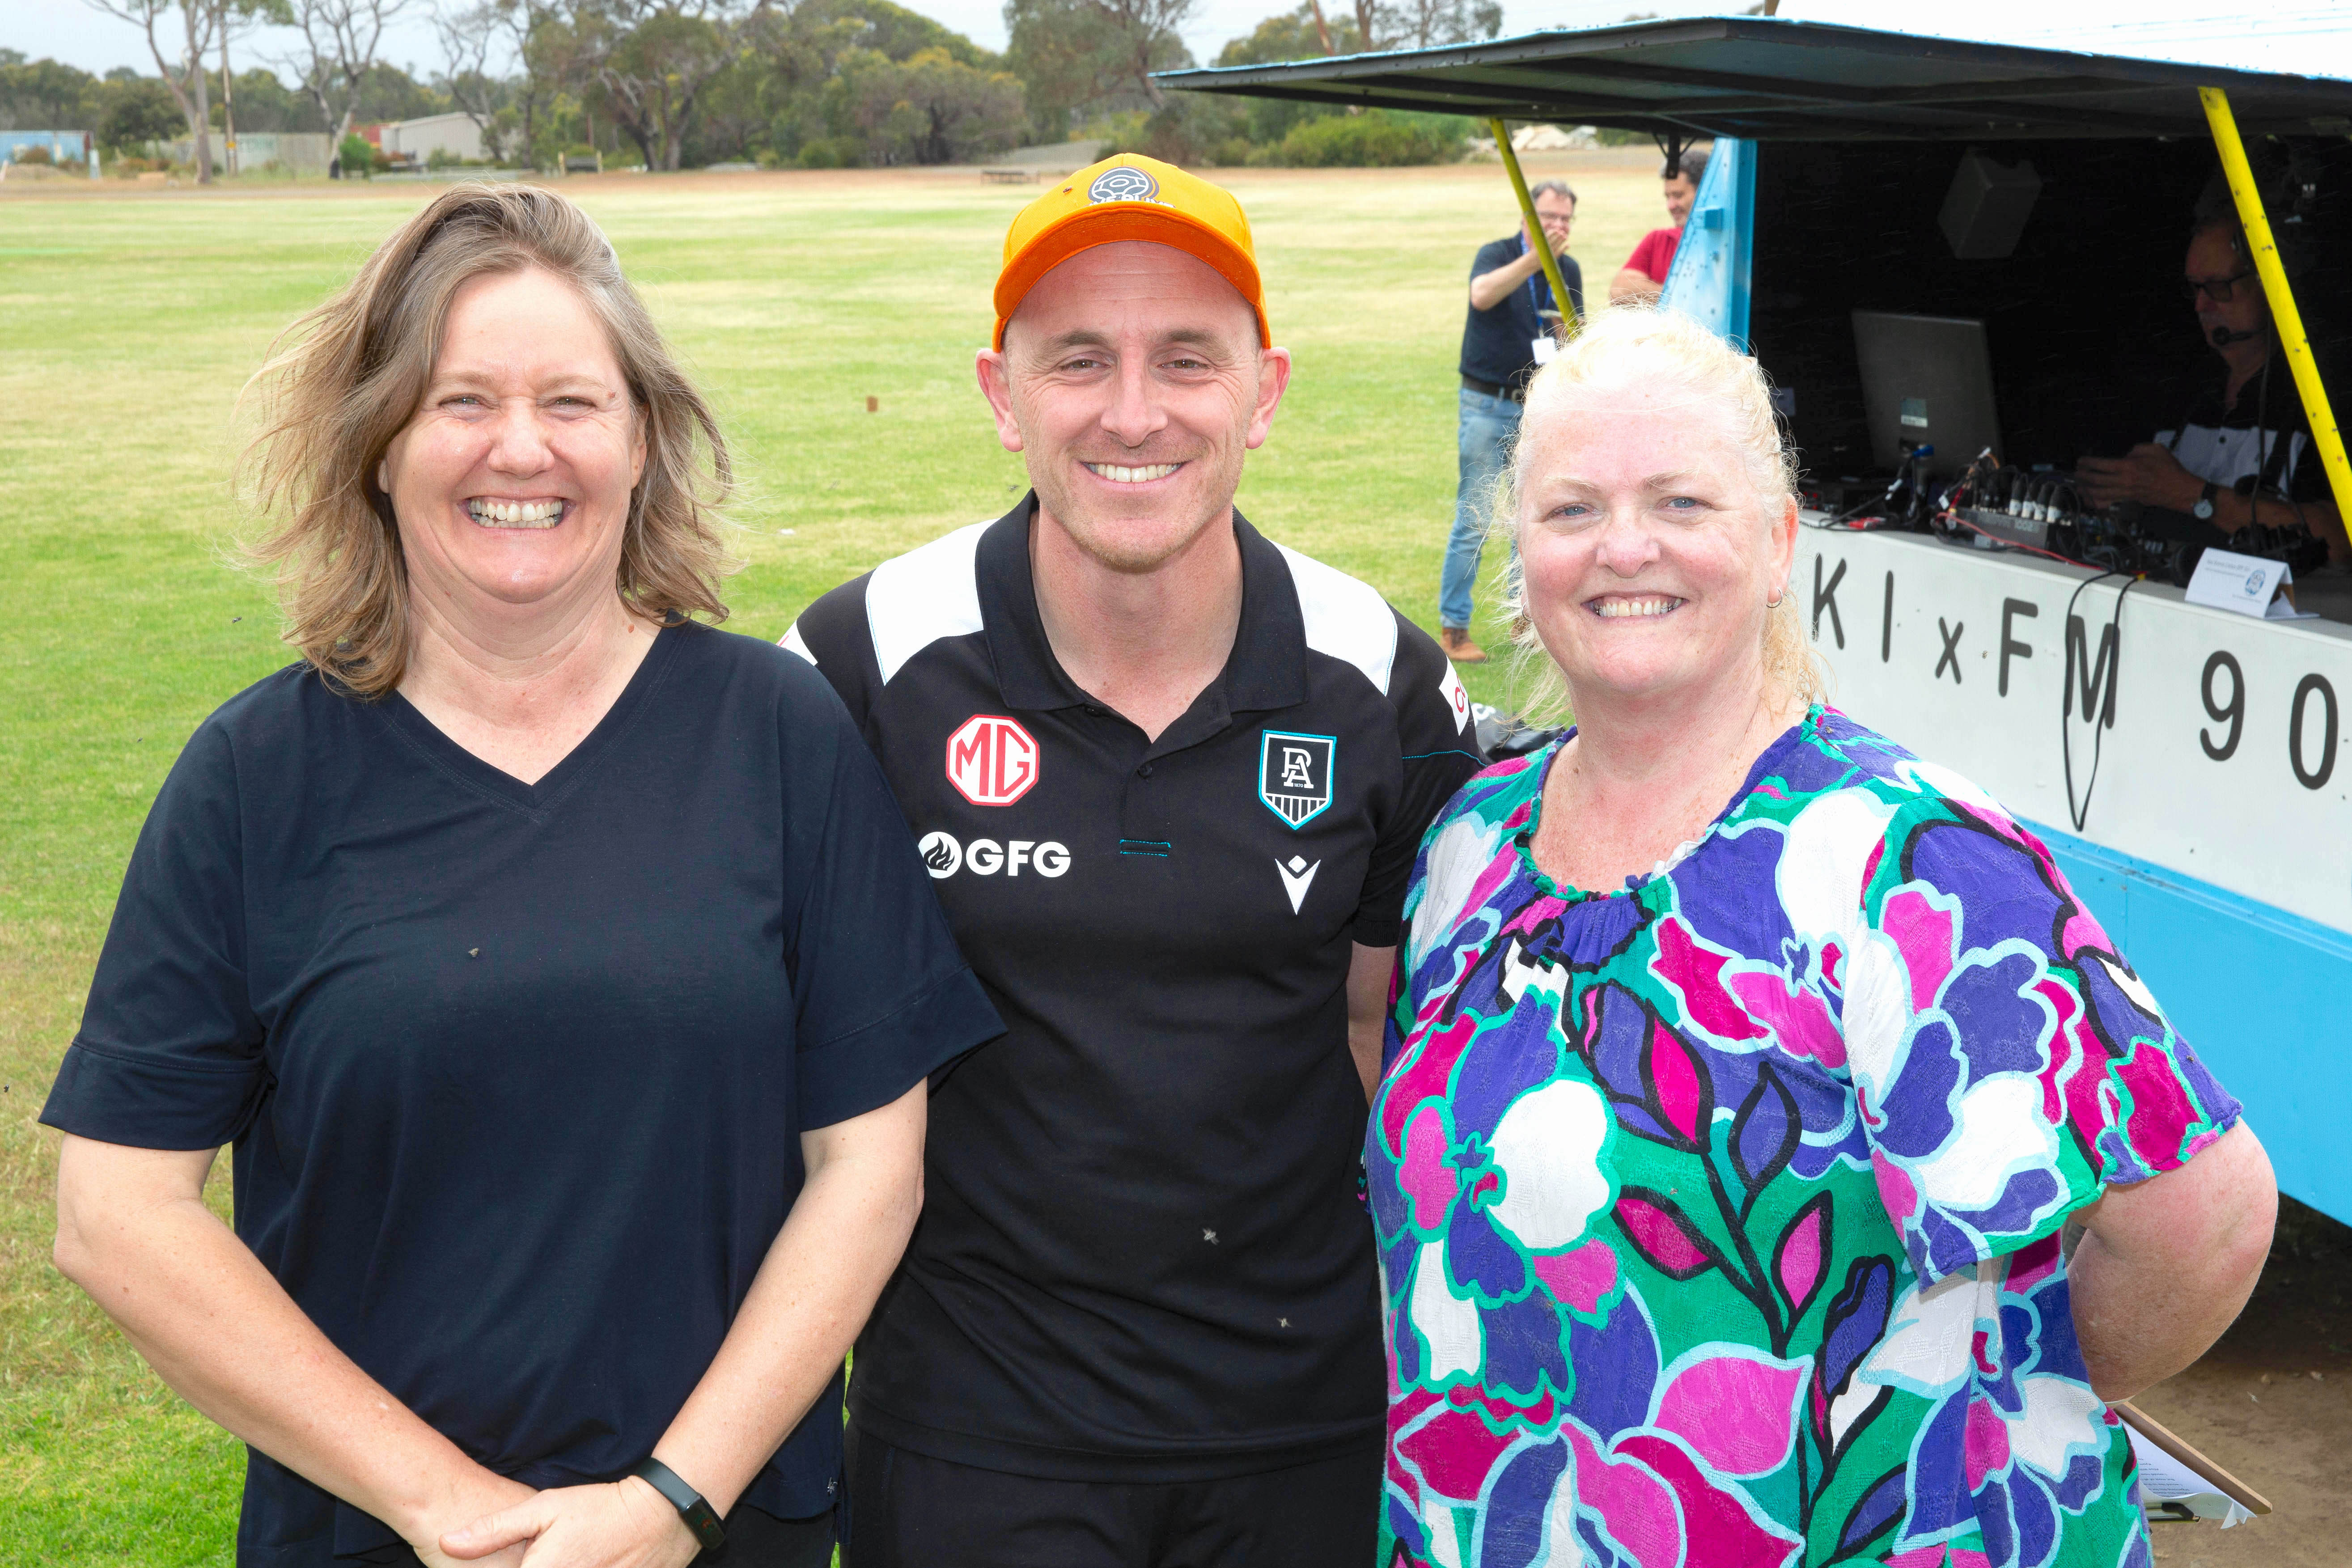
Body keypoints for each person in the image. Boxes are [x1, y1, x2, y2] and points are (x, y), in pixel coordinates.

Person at [42, 183, 1000, 1568]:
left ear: (642, 438)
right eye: (461, 400)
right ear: (378, 443)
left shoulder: (778, 733)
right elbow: (116, 1211)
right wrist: (447, 1506)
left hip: (723, 1531)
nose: (521, 449)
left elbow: (870, 1162)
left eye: (572, 400)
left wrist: (672, 1498)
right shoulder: (259, 775)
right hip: (372, 1534)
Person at [1368, 308, 2276, 1568]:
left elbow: (2203, 1219)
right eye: (1571, 509)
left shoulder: (1909, 864)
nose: (1623, 546)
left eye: (1682, 501)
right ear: (1519, 550)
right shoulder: (1469, 847)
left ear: (1781, 538)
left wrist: (2003, 1405)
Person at [782, 153, 1487, 1568]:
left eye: (1186, 358)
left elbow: (1375, 1023)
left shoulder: (1383, 680)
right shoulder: (858, 665)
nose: (1132, 412)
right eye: (1078, 360)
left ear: (1266, 392)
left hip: (1300, 1412)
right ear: (1000, 394)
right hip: (972, 1422)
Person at [2077, 204, 2346, 564]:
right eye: (2195, 289)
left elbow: (2340, 539)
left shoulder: (2324, 397)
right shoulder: (2174, 385)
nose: (2201, 305)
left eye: (2219, 288)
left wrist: (2190, 495)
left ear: (2272, 282)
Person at [1440, 179, 1582, 665]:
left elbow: (1574, 337)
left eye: (1565, 220)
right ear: (1528, 217)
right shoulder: (1497, 253)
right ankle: (1454, 628)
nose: (1558, 227)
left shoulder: (1569, 270)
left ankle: (1525, 622)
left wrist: (1566, 331)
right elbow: (1482, 295)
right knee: (1475, 517)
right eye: (1549, 218)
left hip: (1539, 409)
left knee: (1534, 518)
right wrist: (1534, 261)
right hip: (1487, 404)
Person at [1608, 146, 1707, 306]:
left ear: (1704, 192)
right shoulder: (1659, 240)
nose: (1670, 205)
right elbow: (1620, 292)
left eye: (1678, 195)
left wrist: (1650, 292)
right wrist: (1686, 296)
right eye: (1668, 197)